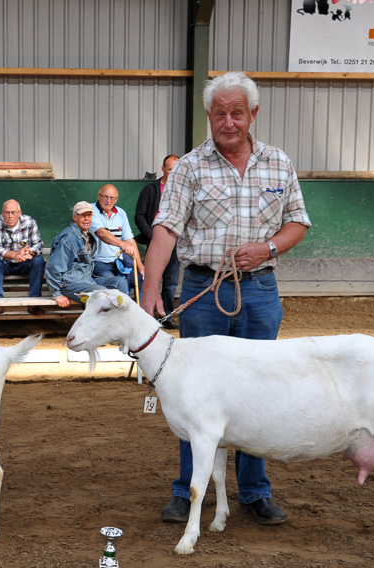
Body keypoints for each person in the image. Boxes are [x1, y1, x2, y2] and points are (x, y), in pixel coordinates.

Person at [139, 71, 311, 527]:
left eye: (238, 113)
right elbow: (166, 230)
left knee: (259, 394)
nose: (229, 122)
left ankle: (255, 492)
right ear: (209, 116)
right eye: (220, 113)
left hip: (259, 291)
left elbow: (297, 223)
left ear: (253, 114)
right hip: (203, 289)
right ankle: (187, 490)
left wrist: (268, 248)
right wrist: (151, 288)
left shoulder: (279, 163)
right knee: (192, 396)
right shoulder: (191, 168)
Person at [45, 201, 128, 306]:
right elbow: (53, 268)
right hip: (70, 284)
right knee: (101, 293)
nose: (86, 219)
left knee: (120, 282)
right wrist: (57, 294)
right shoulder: (68, 238)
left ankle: (121, 317)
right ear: (74, 217)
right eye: (83, 216)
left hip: (87, 280)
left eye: (89, 216)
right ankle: (100, 321)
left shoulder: (88, 235)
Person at [135, 155, 181, 327]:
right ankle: (147, 317)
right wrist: (153, 237)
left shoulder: (182, 191)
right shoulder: (150, 190)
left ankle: (166, 317)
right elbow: (139, 216)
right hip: (154, 241)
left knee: (171, 282)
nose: (173, 173)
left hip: (175, 242)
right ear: (163, 169)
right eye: (170, 169)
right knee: (151, 280)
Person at [91, 183, 143, 296]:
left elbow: (130, 241)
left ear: (116, 199)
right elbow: (101, 233)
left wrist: (140, 267)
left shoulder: (121, 213)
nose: (108, 201)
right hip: (99, 263)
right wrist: (122, 245)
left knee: (142, 279)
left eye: (112, 198)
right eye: (105, 196)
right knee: (116, 285)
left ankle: (139, 312)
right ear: (98, 196)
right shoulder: (91, 211)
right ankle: (119, 313)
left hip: (119, 262)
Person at [0, 199, 45, 298]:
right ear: (3, 213)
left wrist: (28, 253)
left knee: (39, 261)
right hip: (6, 264)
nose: (10, 216)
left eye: (13, 213)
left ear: (19, 213)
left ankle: (34, 301)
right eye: (7, 213)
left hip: (25, 262)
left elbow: (38, 245)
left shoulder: (30, 222)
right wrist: (14, 255)